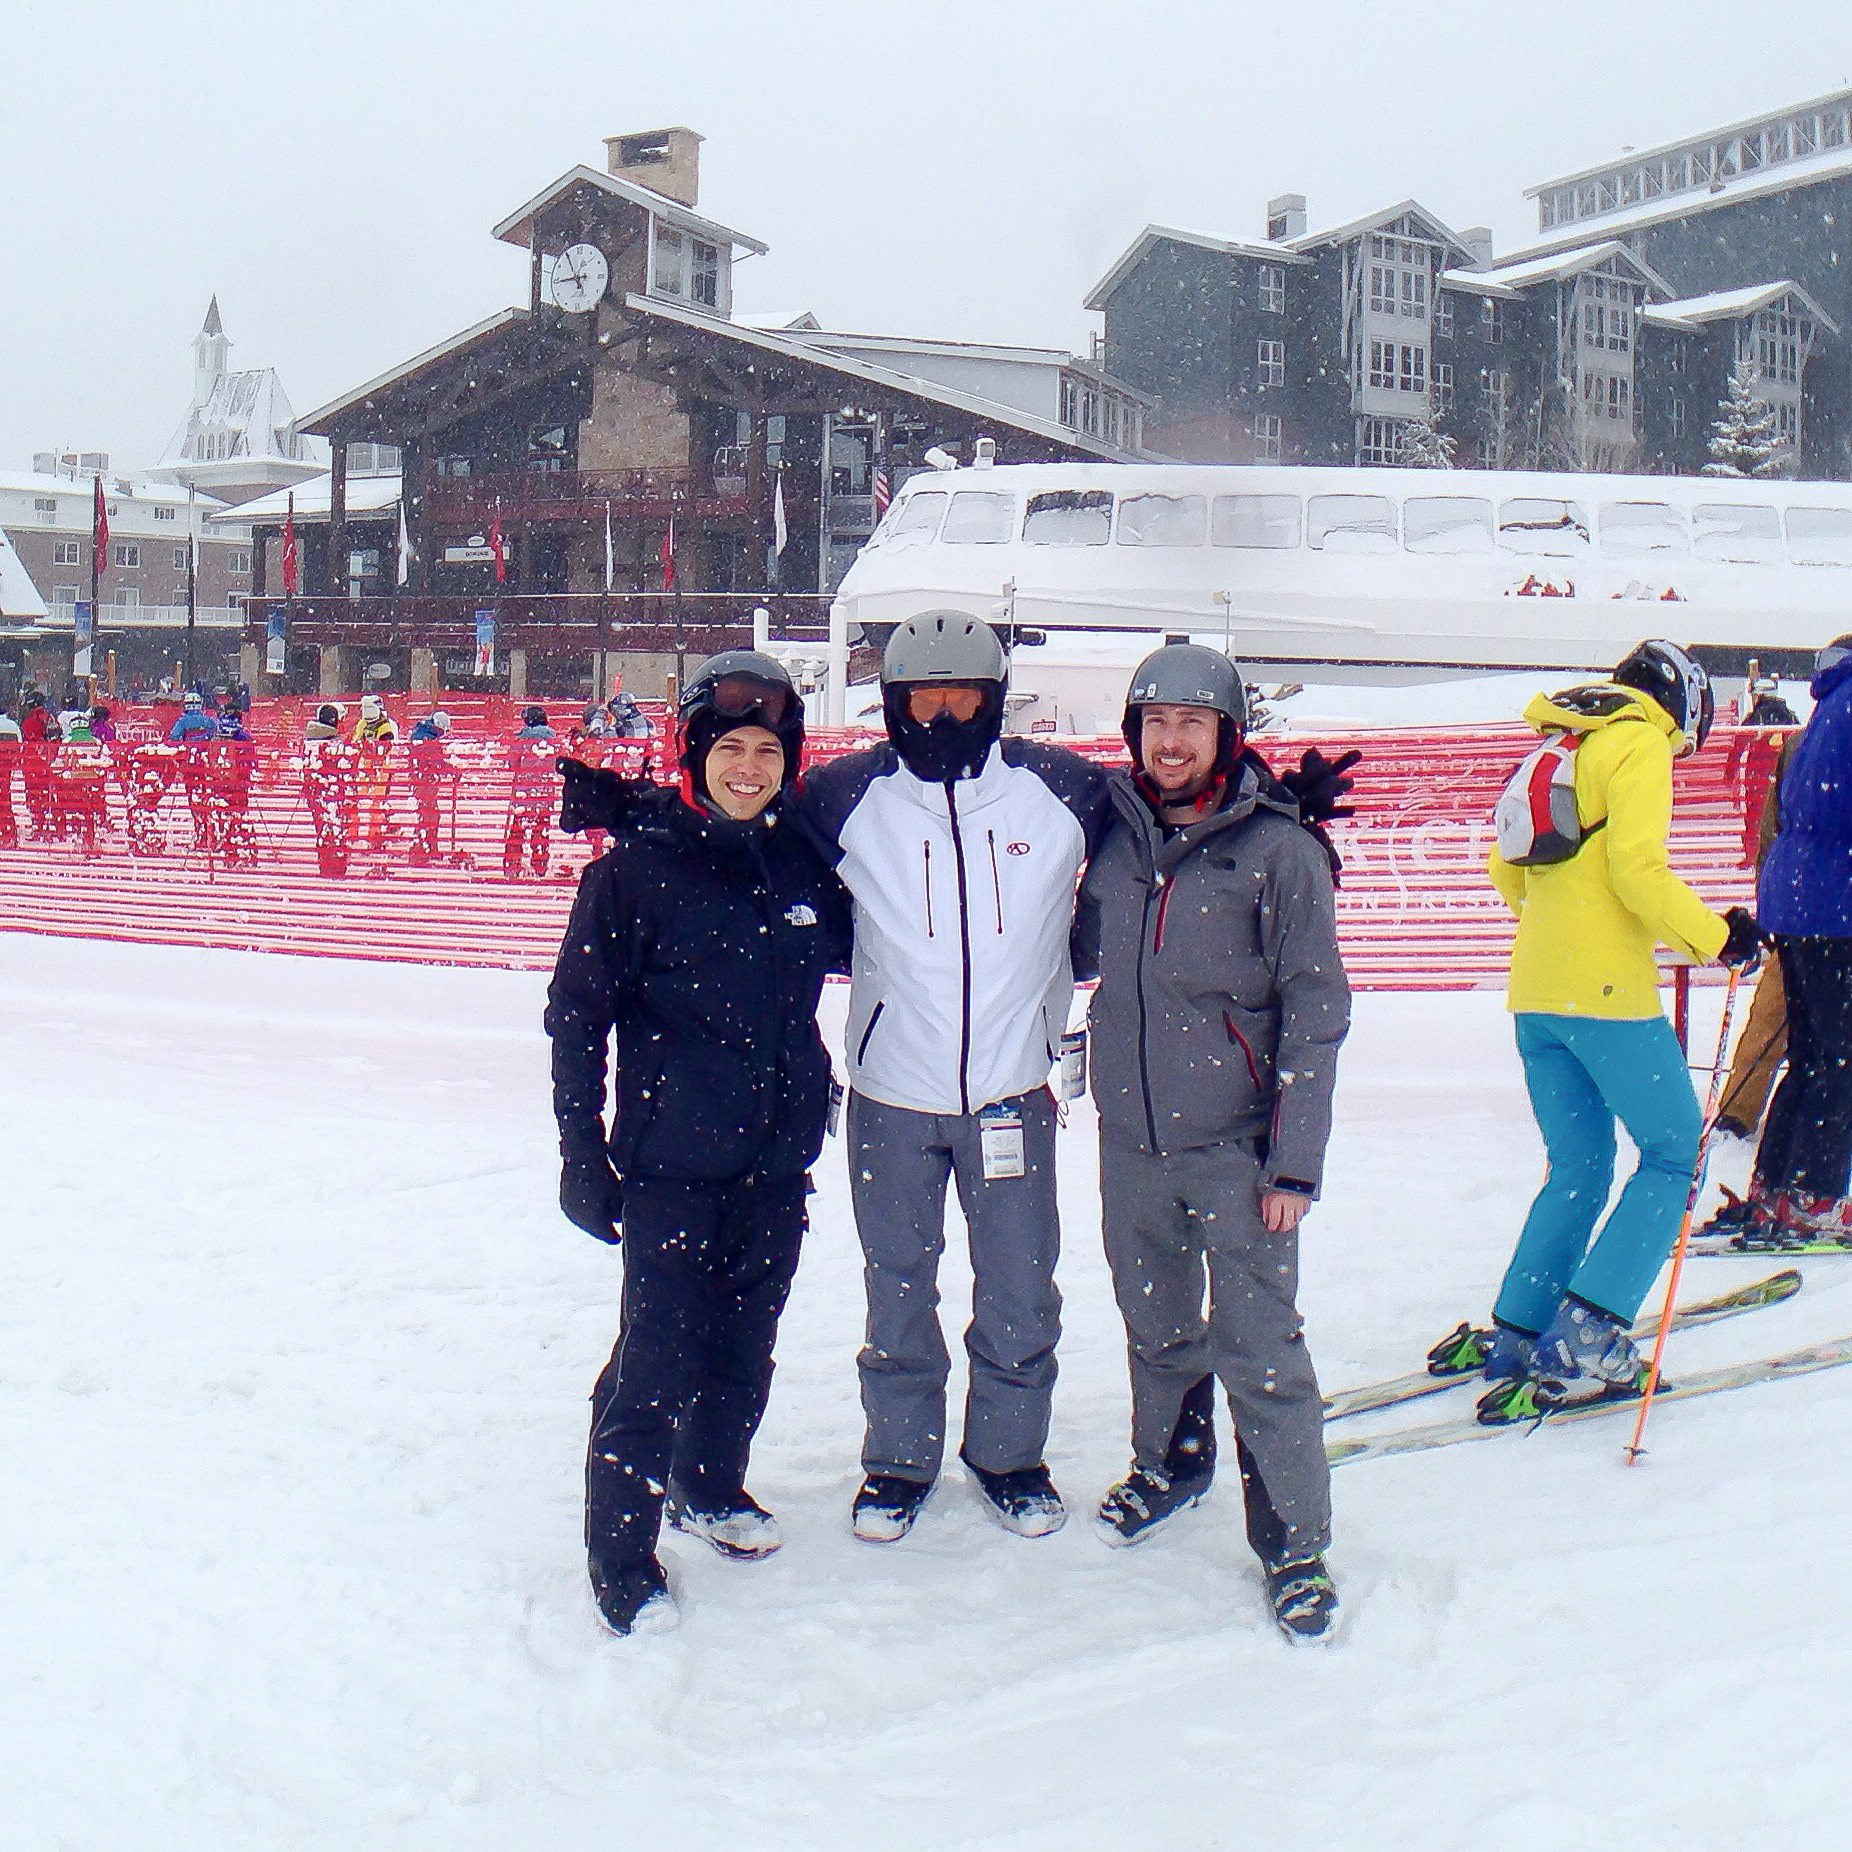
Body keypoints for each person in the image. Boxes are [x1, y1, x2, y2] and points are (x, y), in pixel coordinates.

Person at [546, 652, 850, 1636]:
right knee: (656, 1360)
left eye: (768, 749)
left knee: (744, 1350)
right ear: (695, 753)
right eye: (731, 748)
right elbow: (575, 1018)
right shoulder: (632, 874)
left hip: (775, 1164)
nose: (750, 766)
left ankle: (710, 1484)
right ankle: (620, 1556)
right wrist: (580, 1149)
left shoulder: (800, 865)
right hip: (672, 1166)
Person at [796, 613, 1116, 1543]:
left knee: (1021, 1286)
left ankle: (1009, 1455)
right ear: (891, 706)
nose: (940, 719)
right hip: (892, 1091)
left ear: (994, 703)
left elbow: (1175, 803)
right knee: (899, 1284)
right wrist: (646, 817)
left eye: (961, 700)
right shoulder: (847, 794)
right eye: (920, 702)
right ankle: (898, 1462)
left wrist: (1269, 793)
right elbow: (743, 828)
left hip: (1014, 1088)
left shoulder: (1060, 789)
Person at [1073, 645, 1350, 1644]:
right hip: (1131, 1136)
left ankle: (1295, 1543)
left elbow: (1317, 1006)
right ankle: (1172, 1459)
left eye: (1193, 723)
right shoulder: (1113, 838)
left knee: (1261, 1347)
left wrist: (1293, 1161)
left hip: (1238, 1147)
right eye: (1155, 723)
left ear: (1228, 737)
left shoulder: (1278, 849)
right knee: (1152, 1320)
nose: (1173, 741)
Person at [1474, 641, 1764, 1421]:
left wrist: (1561, 940)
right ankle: (1588, 1334)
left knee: (1579, 1164)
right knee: (1677, 1155)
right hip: (1607, 996)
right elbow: (1638, 872)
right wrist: (1720, 937)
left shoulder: (1558, 743)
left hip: (1537, 994)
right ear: (1683, 705)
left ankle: (1520, 1328)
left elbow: (1508, 867)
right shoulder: (1637, 741)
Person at [1721, 634, 1852, 1246]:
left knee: (1813, 1054)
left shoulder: (1829, 708)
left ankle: (1775, 1187)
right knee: (1841, 1059)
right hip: (1837, 905)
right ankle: (1814, 1195)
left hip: (1798, 898)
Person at [505, 705, 557, 879]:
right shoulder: (553, 739)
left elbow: (511, 763)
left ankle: (512, 865)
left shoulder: (522, 740)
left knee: (518, 829)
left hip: (524, 792)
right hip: (545, 792)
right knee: (541, 829)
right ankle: (540, 865)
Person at [303, 703, 355, 878]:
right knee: (335, 828)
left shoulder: (309, 742)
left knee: (321, 827)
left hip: (315, 793)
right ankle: (335, 867)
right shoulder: (334, 744)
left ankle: (325, 864)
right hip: (333, 792)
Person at [406, 711, 456, 868]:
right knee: (428, 816)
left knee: (429, 815)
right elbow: (434, 760)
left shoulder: (423, 735)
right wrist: (450, 770)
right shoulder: (426, 738)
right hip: (424, 784)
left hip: (424, 783)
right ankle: (422, 850)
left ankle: (427, 848)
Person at [353, 693, 397, 850]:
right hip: (365, 767)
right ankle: (356, 835)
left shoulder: (386, 726)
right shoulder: (363, 724)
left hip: (380, 769)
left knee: (375, 803)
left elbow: (387, 747)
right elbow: (355, 742)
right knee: (358, 801)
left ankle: (375, 834)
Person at [0, 698, 21, 848]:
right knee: (6, 799)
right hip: (7, 767)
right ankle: (9, 832)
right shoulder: (12, 725)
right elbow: (20, 744)